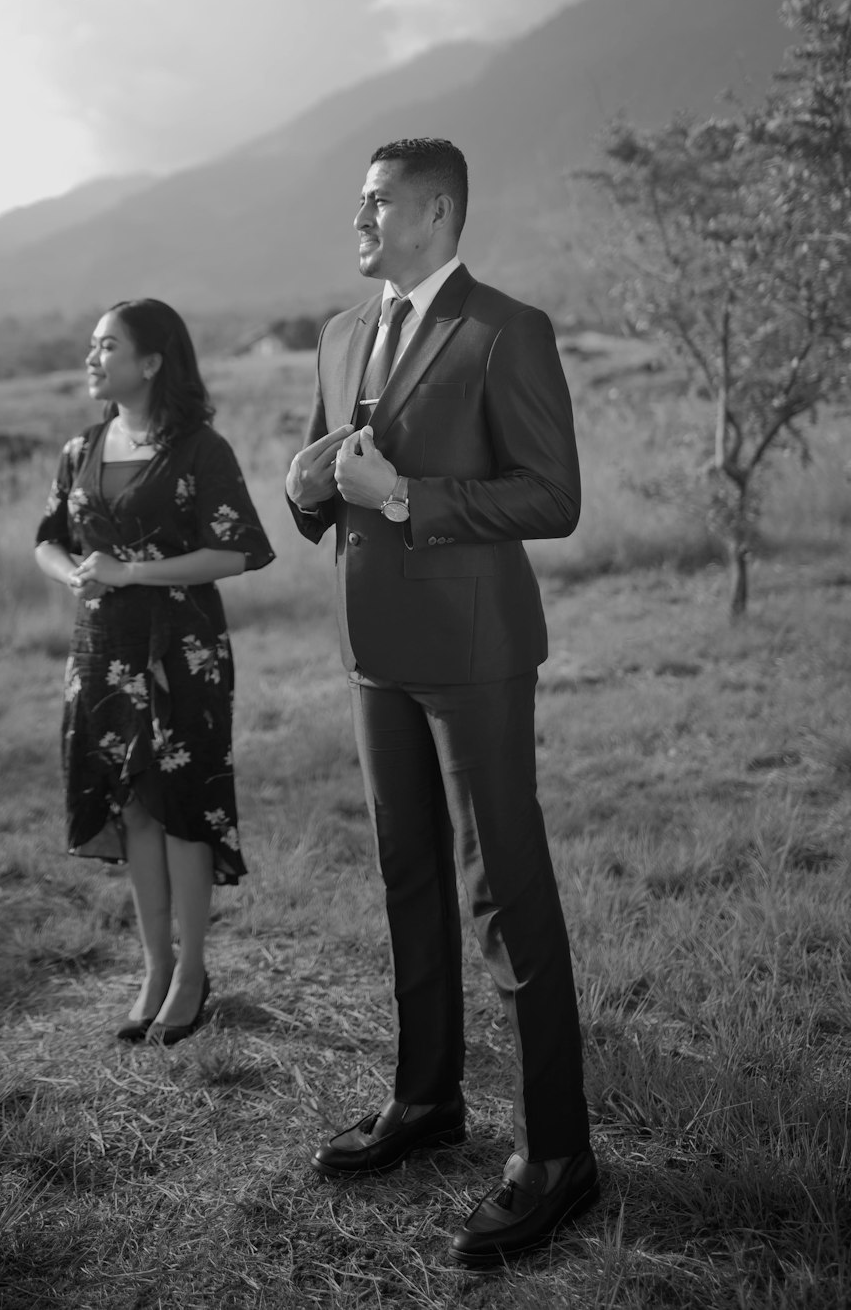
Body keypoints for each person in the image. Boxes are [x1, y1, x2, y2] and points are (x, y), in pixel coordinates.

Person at [285, 138, 597, 1270]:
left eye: (374, 200)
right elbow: (319, 478)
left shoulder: (506, 329)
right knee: (405, 873)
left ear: (436, 209)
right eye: (358, 197)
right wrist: (304, 482)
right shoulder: (335, 334)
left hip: (474, 653)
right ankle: (426, 1101)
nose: (357, 214)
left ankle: (560, 1154)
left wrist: (409, 494)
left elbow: (552, 493)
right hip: (372, 649)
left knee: (500, 886)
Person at [35, 297, 273, 1044]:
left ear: (152, 360)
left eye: (108, 345)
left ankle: (194, 971)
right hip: (101, 650)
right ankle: (154, 965)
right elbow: (47, 539)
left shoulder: (202, 449)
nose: (93, 358)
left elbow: (236, 550)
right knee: (133, 807)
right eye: (92, 345)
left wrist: (133, 571)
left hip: (181, 652)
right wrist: (73, 573)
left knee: (181, 809)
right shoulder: (81, 448)